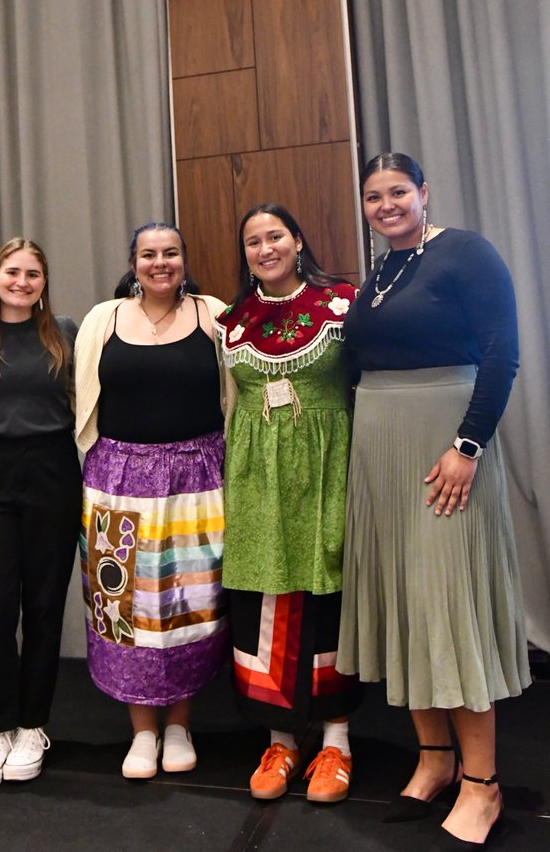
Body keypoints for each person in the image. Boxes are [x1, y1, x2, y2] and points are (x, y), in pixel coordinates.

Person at [337, 153, 530, 848]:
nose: (385, 205)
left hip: (445, 443)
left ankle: (483, 783)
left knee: (449, 607)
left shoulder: (467, 253)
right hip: (380, 446)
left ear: (424, 192)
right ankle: (436, 760)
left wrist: (468, 446)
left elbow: (502, 352)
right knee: (405, 601)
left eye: (397, 192)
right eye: (372, 196)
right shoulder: (381, 272)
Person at [214, 205, 362, 805]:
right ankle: (281, 739)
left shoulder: (343, 305)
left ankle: (336, 739)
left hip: (328, 465)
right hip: (256, 476)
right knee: (263, 597)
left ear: (298, 240)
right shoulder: (231, 319)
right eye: (252, 241)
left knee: (330, 593)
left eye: (275, 235)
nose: (265, 248)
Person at [75, 222, 233, 780]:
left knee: (191, 605)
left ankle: (179, 725)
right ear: (134, 262)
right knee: (124, 610)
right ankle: (142, 732)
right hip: (117, 482)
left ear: (185, 260)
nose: (159, 263)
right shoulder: (102, 319)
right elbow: (81, 401)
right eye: (148, 254)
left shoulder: (215, 315)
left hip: (198, 481)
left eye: (170, 253)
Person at [0, 238, 80, 790]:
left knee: (43, 606)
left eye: (33, 273)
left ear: (44, 281)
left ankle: (33, 726)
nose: (22, 282)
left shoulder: (66, 334)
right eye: (13, 272)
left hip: (53, 474)